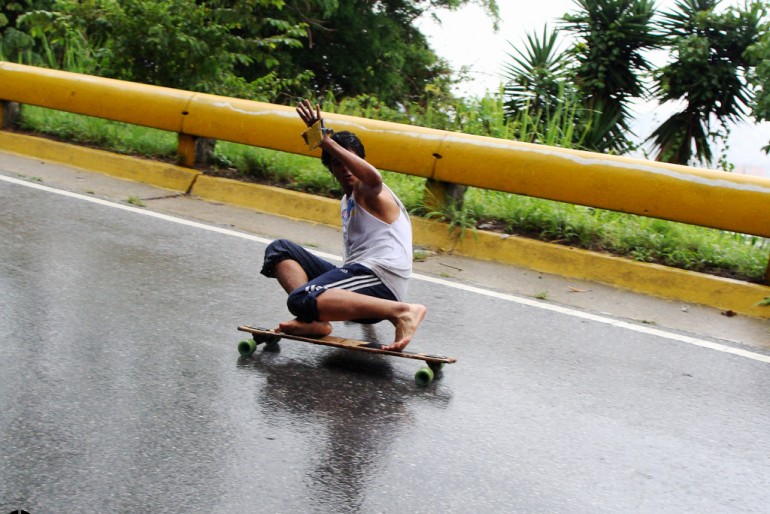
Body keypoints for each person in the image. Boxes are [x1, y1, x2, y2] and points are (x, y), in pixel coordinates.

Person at [259, 99, 426, 352]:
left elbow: (374, 178)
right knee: (279, 250)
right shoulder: (346, 200)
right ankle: (314, 321)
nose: (347, 168)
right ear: (330, 168)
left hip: (380, 282)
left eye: (351, 160)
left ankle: (403, 312)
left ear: (360, 161)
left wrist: (326, 141)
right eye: (338, 163)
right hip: (358, 277)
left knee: (301, 298)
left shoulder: (369, 191)